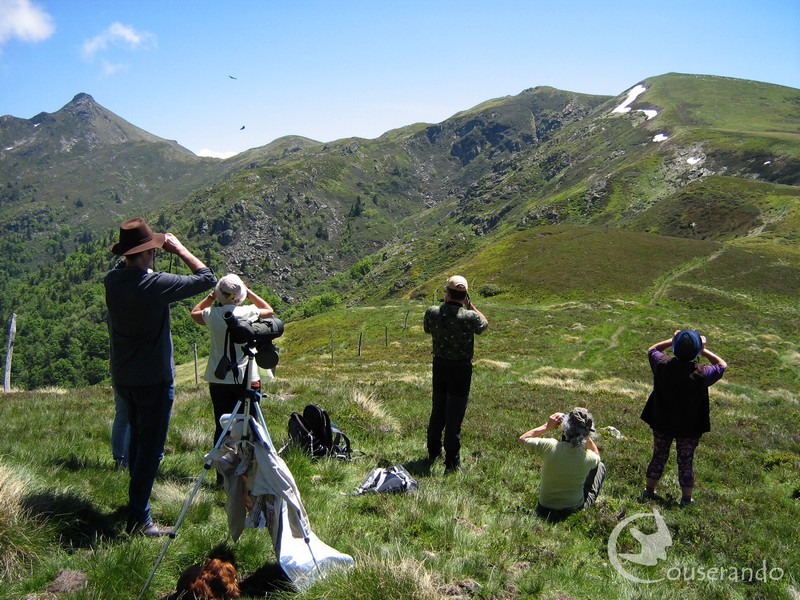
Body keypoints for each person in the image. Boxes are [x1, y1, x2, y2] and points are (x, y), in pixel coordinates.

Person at [105, 217, 216, 536]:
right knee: (151, 449)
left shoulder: (113, 281)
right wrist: (179, 248)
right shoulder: (155, 285)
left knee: (138, 439)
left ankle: (137, 504)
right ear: (148, 254)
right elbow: (207, 277)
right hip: (153, 378)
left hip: (124, 376)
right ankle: (140, 520)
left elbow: (128, 270)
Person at [191, 274, 274, 466]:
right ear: (241, 296)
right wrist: (247, 291)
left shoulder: (212, 314)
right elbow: (269, 311)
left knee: (222, 425)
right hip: (247, 377)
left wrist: (212, 297)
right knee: (250, 425)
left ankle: (223, 471)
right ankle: (250, 469)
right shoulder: (248, 312)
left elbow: (195, 313)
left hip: (219, 379)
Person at [640, 329, 727, 507]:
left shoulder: (662, 364)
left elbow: (652, 349)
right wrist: (702, 350)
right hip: (689, 426)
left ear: (674, 348)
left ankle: (649, 490)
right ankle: (686, 499)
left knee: (658, 455)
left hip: (662, 420)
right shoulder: (702, 372)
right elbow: (722, 365)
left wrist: (672, 340)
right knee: (686, 461)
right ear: (696, 351)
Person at [423, 275, 489, 472]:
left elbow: (427, 329)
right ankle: (452, 462)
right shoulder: (469, 317)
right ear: (465, 295)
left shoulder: (433, 313)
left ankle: (433, 451)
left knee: (438, 410)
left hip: (440, 366)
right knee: (455, 415)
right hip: (461, 370)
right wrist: (471, 306)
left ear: (447, 293)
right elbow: (484, 325)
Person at [517, 407, 606, 520]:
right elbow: (597, 455)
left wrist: (547, 426)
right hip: (573, 509)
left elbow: (522, 439)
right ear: (588, 431)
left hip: (544, 507)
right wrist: (585, 434)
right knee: (600, 466)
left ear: (565, 426)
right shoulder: (589, 458)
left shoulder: (549, 446)